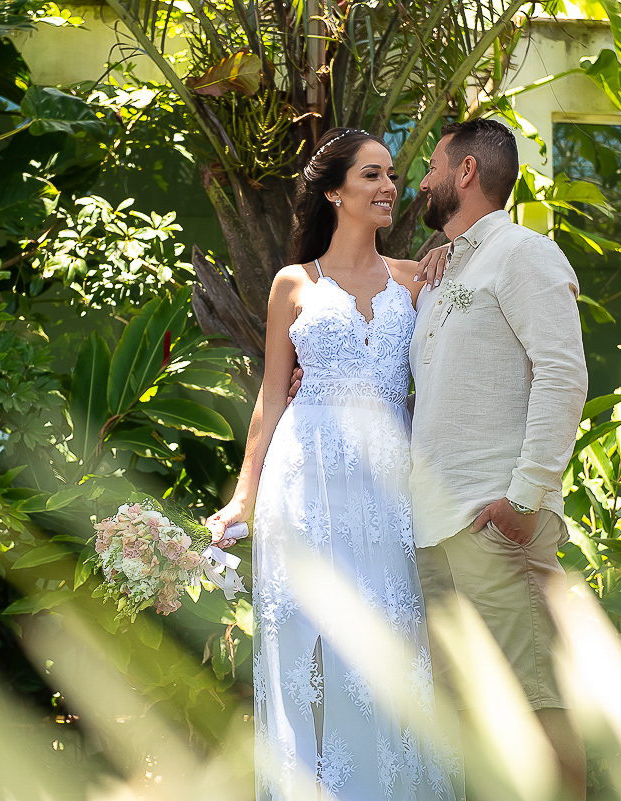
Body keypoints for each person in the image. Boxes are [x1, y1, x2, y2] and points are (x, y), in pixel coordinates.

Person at [207, 128, 457, 800]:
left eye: (393, 176)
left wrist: (452, 258)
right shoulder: (294, 284)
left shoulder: (418, 275)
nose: (388, 188)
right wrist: (242, 498)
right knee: (308, 649)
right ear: (333, 191)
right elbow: (270, 395)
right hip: (305, 482)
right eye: (371, 175)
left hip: (387, 490)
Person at [409, 119, 589, 799]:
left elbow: (563, 375)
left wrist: (524, 498)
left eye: (431, 166)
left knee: (539, 703)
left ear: (464, 173)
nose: (421, 181)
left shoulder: (523, 254)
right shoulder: (450, 264)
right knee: (467, 721)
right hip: (435, 529)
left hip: (491, 524)